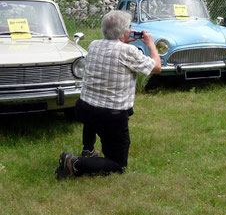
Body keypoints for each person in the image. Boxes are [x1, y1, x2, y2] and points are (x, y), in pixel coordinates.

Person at [55, 10, 161, 179]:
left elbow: (112, 50)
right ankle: (74, 163)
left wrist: (122, 40)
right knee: (118, 164)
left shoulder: (94, 45)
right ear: (124, 32)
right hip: (111, 116)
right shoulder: (129, 51)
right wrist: (151, 44)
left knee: (95, 101)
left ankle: (88, 149)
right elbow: (155, 67)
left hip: (84, 109)